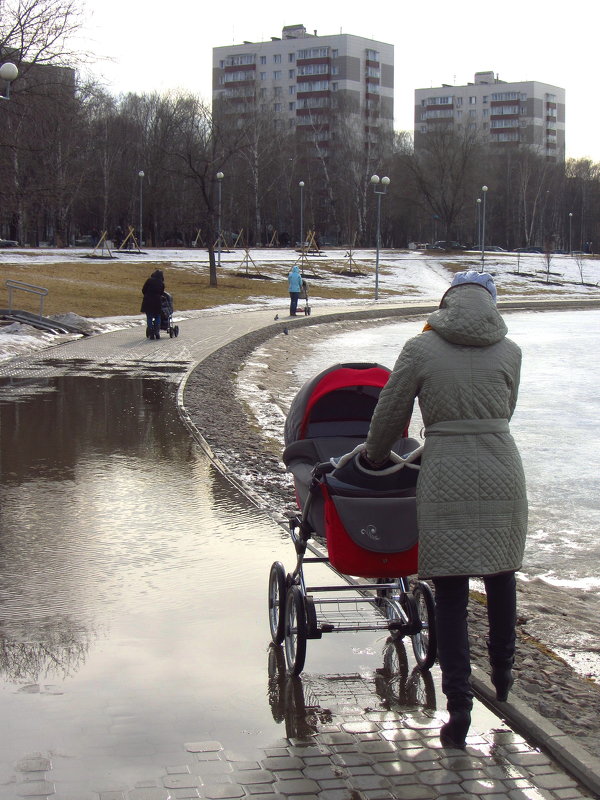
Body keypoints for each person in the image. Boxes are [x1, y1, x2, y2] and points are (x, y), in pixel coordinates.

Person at [364, 270, 527, 749]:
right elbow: (507, 408)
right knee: (502, 574)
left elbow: (390, 412)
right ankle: (503, 674)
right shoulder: (511, 351)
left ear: (448, 301)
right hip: (503, 468)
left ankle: (458, 709)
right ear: (491, 304)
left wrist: (374, 457)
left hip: (446, 470)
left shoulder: (421, 348)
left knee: (452, 589)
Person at [141, 269, 165, 339]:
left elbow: (143, 290)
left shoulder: (149, 280)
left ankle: (151, 332)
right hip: (157, 301)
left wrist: (147, 295)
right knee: (157, 316)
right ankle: (157, 332)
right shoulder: (161, 283)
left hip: (148, 300)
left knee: (149, 317)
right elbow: (161, 293)